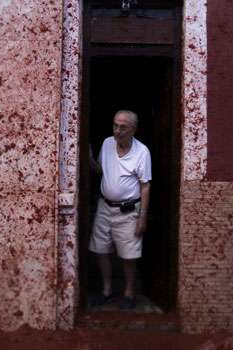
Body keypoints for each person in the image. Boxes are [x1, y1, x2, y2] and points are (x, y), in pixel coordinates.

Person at [89, 110, 151, 310]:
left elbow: (145, 186)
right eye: (115, 125)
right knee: (100, 249)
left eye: (123, 127)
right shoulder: (107, 143)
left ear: (133, 129)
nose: (117, 130)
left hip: (128, 211)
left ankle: (129, 293)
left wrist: (142, 217)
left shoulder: (142, 152)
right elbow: (101, 170)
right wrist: (88, 159)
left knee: (128, 254)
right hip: (104, 207)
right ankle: (106, 291)